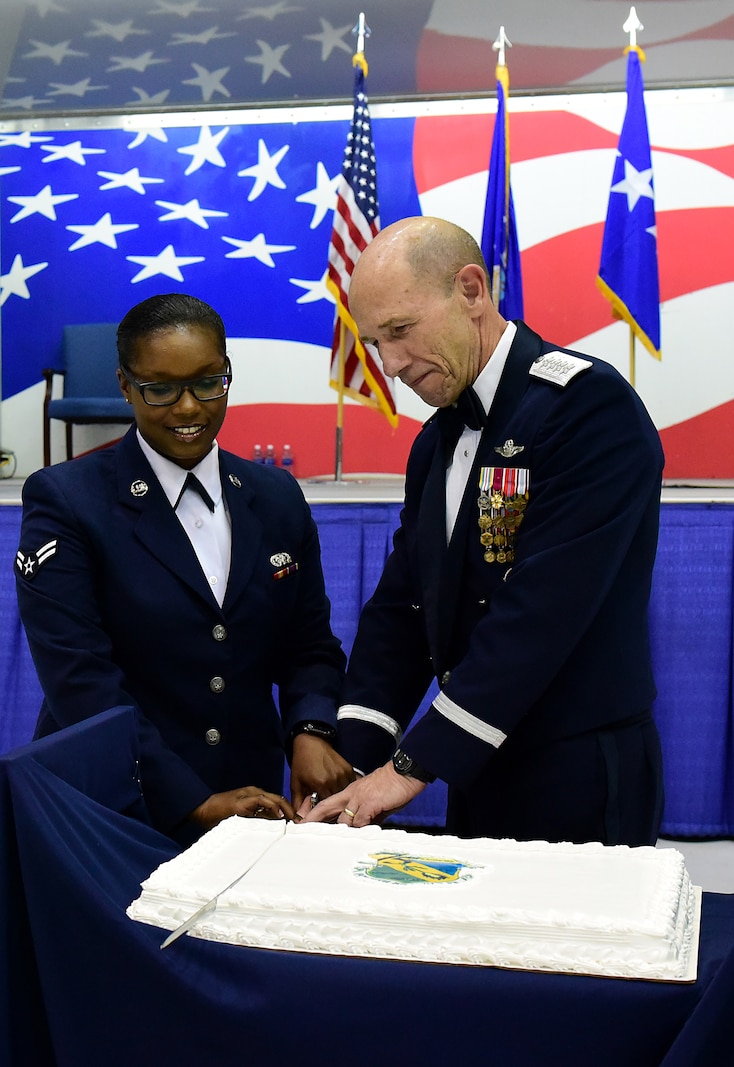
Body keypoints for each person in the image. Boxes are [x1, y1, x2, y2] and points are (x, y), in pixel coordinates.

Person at [302, 216, 665, 847]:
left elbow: (540, 614)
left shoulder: (587, 409)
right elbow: (404, 607)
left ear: (471, 291)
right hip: (477, 766)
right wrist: (354, 756)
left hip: (575, 770)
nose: (388, 364)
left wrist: (413, 768)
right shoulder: (435, 440)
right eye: (374, 343)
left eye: (400, 332)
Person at [15, 293, 352, 843]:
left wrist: (309, 729)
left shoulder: (276, 496)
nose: (189, 407)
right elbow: (82, 683)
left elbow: (308, 645)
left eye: (207, 382)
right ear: (125, 386)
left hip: (252, 805)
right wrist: (192, 802)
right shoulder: (67, 501)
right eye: (160, 389)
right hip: (117, 810)